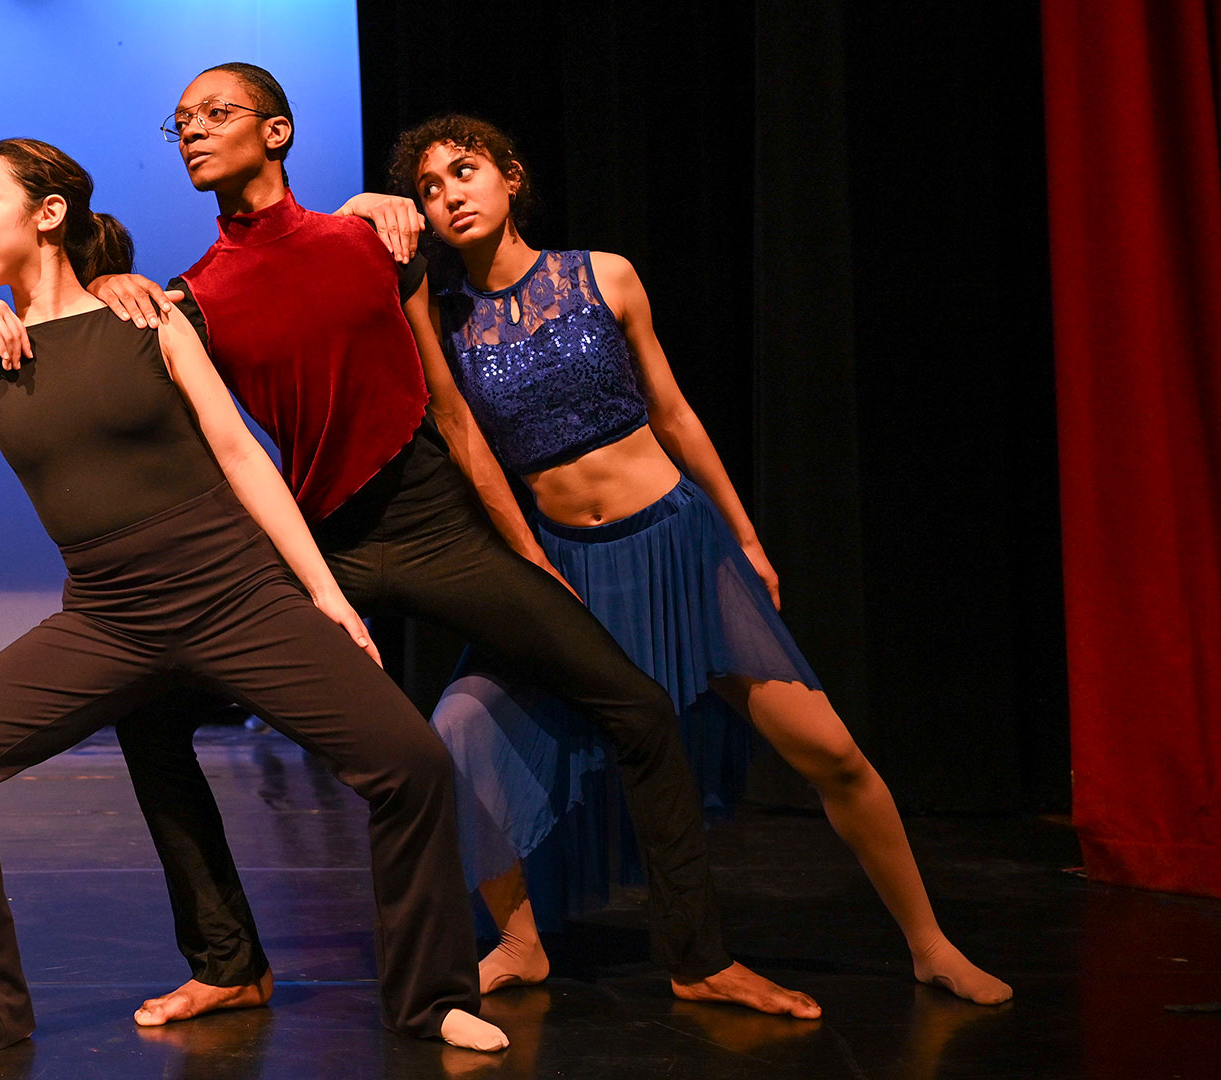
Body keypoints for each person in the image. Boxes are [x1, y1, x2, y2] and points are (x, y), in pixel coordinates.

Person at [87, 62, 821, 1023]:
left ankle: (697, 959)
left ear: (277, 133)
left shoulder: (375, 238)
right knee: (149, 713)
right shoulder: (195, 294)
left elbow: (452, 398)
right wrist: (106, 279)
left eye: (216, 114)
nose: (191, 131)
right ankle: (229, 961)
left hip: (434, 519)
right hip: (327, 548)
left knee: (638, 711)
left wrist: (528, 553)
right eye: (179, 121)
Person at [0, 137, 508, 1052]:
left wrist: (324, 593)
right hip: (108, 617)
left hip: (234, 592)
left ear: (47, 214)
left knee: (411, 763)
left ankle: (432, 998)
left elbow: (240, 453)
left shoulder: (146, 318)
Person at [387, 112, 1012, 1005]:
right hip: (562, 566)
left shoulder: (604, 276)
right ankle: (521, 942)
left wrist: (746, 537)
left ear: (511, 176)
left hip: (679, 547)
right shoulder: (441, 321)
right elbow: (465, 446)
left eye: (464, 171)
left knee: (832, 753)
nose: (449, 195)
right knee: (457, 729)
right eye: (429, 190)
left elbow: (674, 414)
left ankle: (928, 943)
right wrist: (527, 562)